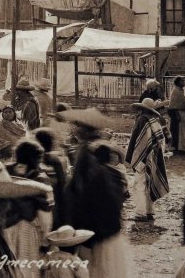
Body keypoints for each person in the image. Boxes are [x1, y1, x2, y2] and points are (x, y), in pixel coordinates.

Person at [60, 108, 128, 278]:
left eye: (78, 126)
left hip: (93, 225)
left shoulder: (87, 152)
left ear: (84, 129)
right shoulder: (91, 150)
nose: (74, 129)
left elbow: (80, 189)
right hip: (102, 224)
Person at [5, 140, 54, 278]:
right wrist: (45, 241)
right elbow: (45, 216)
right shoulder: (39, 179)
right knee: (27, 271)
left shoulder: (6, 171)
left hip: (5, 229)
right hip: (27, 231)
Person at [126, 98, 169, 222]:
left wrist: (130, 158)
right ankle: (149, 211)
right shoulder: (154, 120)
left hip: (143, 156)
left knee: (139, 184)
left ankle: (140, 213)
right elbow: (161, 140)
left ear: (141, 109)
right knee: (149, 182)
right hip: (154, 156)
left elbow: (135, 140)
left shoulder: (141, 120)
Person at [33, 127, 70, 228]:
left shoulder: (34, 159)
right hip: (54, 197)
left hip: (41, 199)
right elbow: (62, 181)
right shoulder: (54, 159)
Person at [168, 76, 185, 152]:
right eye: (181, 81)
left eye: (183, 81)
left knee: (183, 130)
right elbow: (179, 103)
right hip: (178, 112)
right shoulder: (176, 91)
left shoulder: (180, 90)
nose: (183, 82)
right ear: (178, 82)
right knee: (180, 131)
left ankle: (183, 146)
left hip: (183, 112)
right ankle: (181, 147)